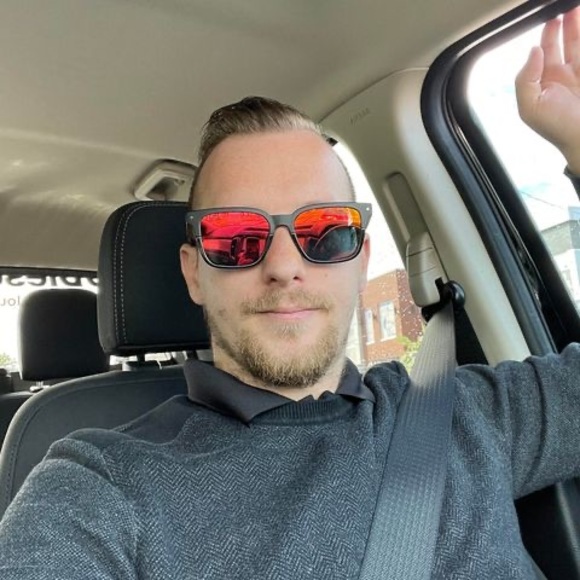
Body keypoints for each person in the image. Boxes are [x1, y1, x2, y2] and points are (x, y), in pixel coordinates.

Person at [1, 9, 580, 580]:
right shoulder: (99, 484)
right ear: (194, 273)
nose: (283, 266)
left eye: (324, 231)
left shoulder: (467, 413)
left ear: (361, 260)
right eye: (236, 238)